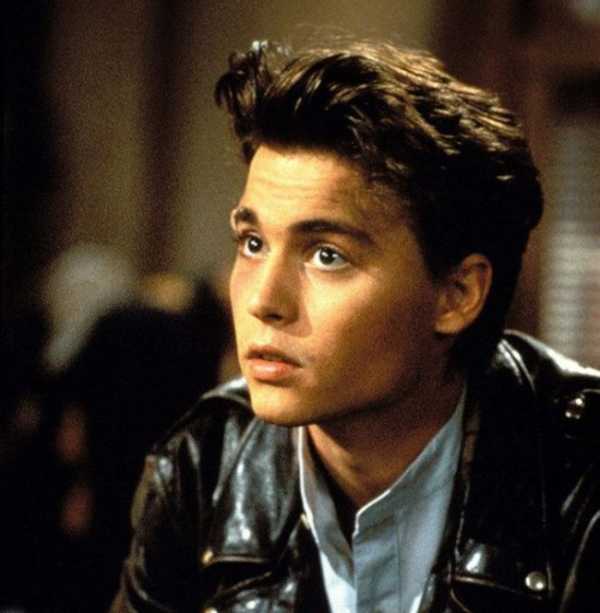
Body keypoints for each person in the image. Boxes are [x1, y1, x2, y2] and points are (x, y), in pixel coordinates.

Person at [111, 40, 600, 613]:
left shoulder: (580, 485)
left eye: (327, 255)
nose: (263, 301)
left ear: (457, 294)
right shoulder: (206, 466)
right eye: (253, 243)